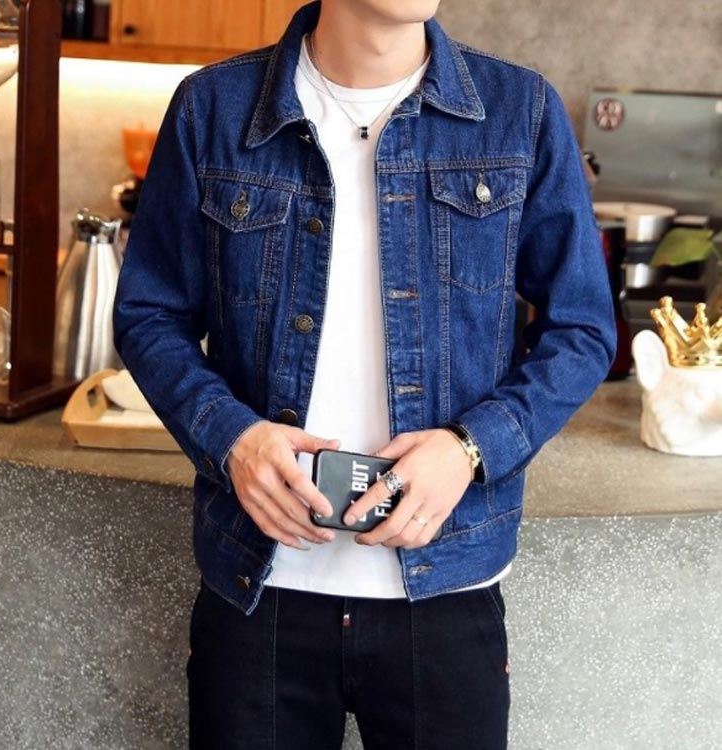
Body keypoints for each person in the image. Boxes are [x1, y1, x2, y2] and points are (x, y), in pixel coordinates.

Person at [113, 1, 616, 747]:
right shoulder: (212, 108)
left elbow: (582, 328)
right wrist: (233, 439)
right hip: (260, 587)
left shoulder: (520, 111)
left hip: (445, 585)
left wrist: (470, 448)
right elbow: (150, 314)